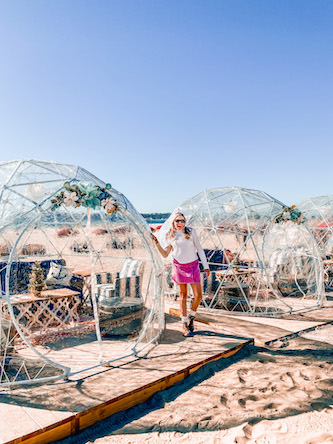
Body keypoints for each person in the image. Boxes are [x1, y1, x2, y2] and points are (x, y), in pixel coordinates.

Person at [151, 212, 210, 337]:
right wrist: (156, 243)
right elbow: (165, 254)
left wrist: (206, 266)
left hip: (193, 265)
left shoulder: (191, 232)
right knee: (183, 296)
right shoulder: (170, 235)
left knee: (198, 295)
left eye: (182, 221)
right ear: (173, 222)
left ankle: (191, 317)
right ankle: (184, 324)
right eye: (177, 221)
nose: (180, 223)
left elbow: (199, 249)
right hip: (179, 267)